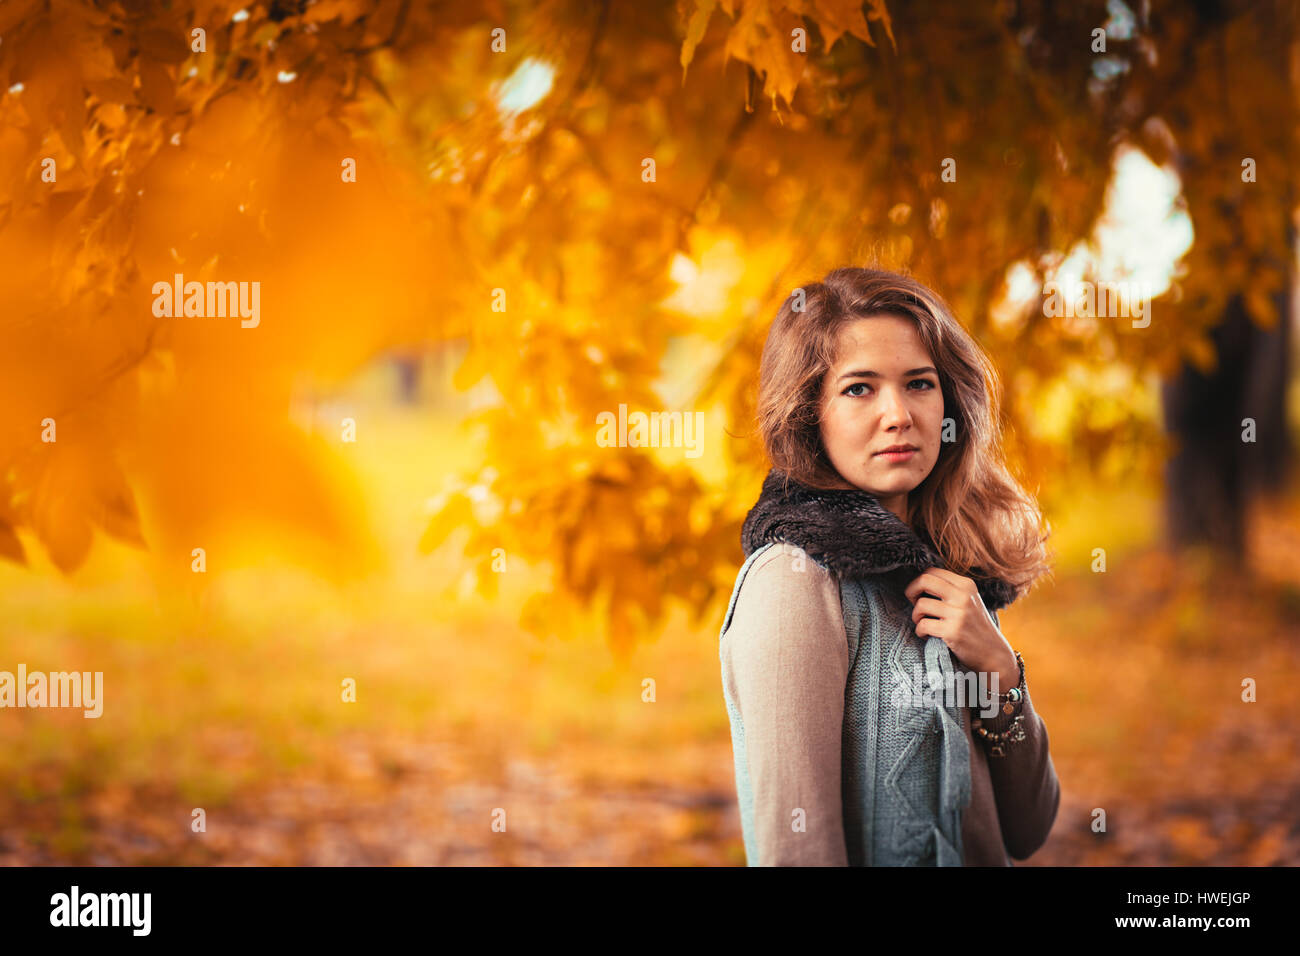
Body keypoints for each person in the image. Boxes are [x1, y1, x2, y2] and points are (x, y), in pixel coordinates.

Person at [718, 266, 1060, 866]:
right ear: (808, 413)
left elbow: (1028, 829)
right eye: (859, 388)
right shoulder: (793, 586)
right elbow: (797, 853)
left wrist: (1001, 672)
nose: (898, 414)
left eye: (920, 384)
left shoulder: (952, 573)